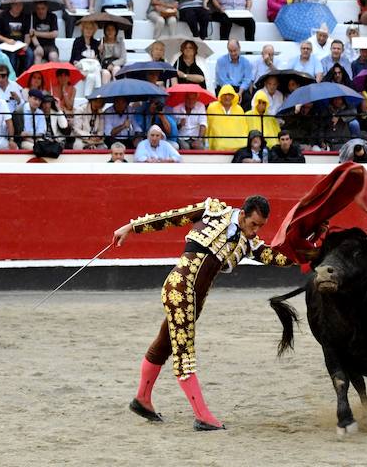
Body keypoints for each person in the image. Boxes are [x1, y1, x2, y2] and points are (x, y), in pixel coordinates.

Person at [114, 195, 291, 429]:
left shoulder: (248, 243)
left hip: (194, 300)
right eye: (253, 224)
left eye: (260, 226)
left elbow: (276, 257)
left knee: (164, 343)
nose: (255, 230)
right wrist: (131, 227)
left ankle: (142, 399)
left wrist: (310, 254)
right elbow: (172, 217)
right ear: (243, 214)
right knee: (184, 355)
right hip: (179, 289)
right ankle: (203, 416)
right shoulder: (213, 211)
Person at [205, 85, 247, 150]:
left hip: (238, 142)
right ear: (220, 95)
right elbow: (208, 126)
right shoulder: (212, 107)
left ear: (233, 96)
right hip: (218, 142)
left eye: (229, 94)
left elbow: (243, 129)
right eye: (224, 94)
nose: (227, 97)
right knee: (220, 145)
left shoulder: (239, 109)